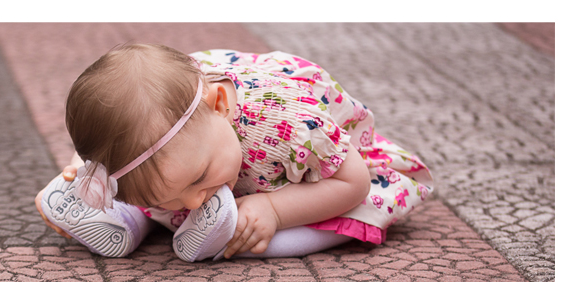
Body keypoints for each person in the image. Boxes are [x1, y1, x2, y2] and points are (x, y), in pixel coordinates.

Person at [35, 44, 433, 261]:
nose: (192, 200)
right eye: (177, 197)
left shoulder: (293, 124)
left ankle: (235, 230)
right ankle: (127, 214)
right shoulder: (188, 143)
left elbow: (355, 182)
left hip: (312, 179)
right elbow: (120, 129)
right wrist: (86, 167)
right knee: (158, 183)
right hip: (193, 165)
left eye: (198, 178)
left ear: (221, 104)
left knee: (341, 213)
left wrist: (274, 211)